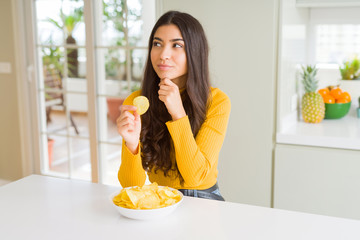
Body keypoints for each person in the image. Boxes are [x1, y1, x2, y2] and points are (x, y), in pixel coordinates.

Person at [116, 10, 231, 201]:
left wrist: (178, 113)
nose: (163, 55)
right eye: (157, 44)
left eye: (176, 45)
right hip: (158, 199)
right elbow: (131, 186)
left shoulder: (217, 102)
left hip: (202, 198)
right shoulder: (136, 102)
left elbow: (195, 177)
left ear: (195, 51)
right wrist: (132, 143)